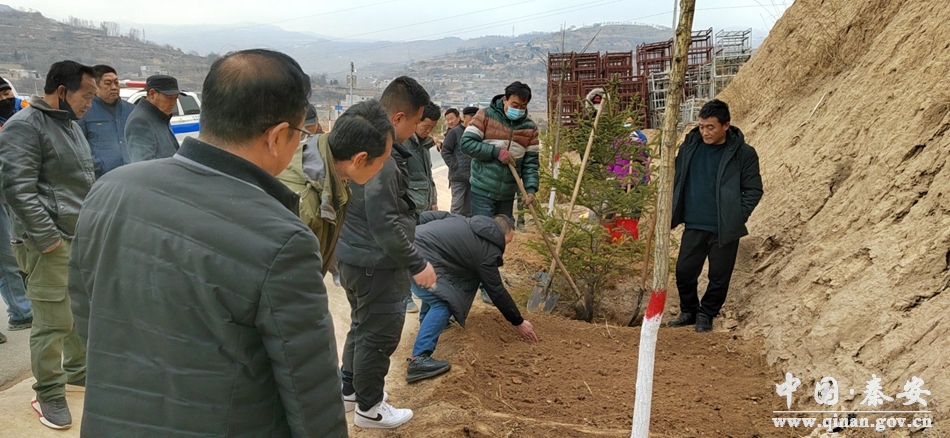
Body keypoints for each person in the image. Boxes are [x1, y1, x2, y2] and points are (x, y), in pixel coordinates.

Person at [68, 49, 347, 437]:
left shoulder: (110, 190)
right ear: (277, 136)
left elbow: (87, 312)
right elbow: (310, 391)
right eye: (300, 135)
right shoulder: (281, 237)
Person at [335, 76, 436, 429]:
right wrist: (417, 263)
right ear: (399, 117)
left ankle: (351, 390)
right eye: (416, 120)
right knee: (378, 334)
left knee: (362, 326)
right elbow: (385, 222)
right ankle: (370, 408)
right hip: (375, 262)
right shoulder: (384, 158)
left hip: (354, 254)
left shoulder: (366, 141)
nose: (416, 129)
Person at [0, 60, 97, 430]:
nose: (89, 103)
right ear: (62, 91)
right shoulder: (24, 126)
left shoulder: (69, 124)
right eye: (86, 95)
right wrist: (49, 240)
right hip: (47, 242)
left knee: (76, 312)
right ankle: (49, 392)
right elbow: (17, 190)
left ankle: (77, 372)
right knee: (52, 320)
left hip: (75, 236)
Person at [406, 212, 538, 383]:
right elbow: (496, 291)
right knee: (444, 303)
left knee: (438, 291)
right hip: (416, 258)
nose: (507, 245)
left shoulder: (463, 221)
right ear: (500, 235)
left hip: (407, 247)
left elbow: (426, 216)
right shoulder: (487, 251)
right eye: (508, 241)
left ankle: (428, 321)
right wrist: (518, 321)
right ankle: (419, 359)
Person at [668, 99, 763, 332]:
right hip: (694, 223)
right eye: (701, 126)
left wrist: (737, 216)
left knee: (719, 276)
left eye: (710, 127)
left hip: (724, 226)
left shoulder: (743, 153)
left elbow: (753, 189)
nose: (705, 132)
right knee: (684, 271)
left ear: (726, 125)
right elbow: (675, 177)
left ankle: (707, 314)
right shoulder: (690, 147)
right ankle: (689, 311)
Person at [276, 99, 394, 278]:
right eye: (382, 161)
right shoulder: (306, 206)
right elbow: (288, 281)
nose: (381, 167)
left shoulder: (323, 164)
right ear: (359, 160)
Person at [461, 82, 540, 218]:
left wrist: (531, 190)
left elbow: (531, 164)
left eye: (523, 106)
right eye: (515, 105)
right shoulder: (485, 116)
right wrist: (496, 152)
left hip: (507, 195)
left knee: (503, 230)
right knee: (483, 229)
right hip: (482, 190)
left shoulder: (530, 128)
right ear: (505, 100)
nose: (519, 110)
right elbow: (467, 144)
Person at [0, 78, 32, 346]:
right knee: (6, 257)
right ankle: (21, 311)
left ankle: (22, 310)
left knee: (16, 251)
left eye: (6, 92)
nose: (5, 97)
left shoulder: (25, 110)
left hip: (17, 190)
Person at [76, 65, 135, 177]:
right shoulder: (84, 112)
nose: (114, 87)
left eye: (116, 83)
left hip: (132, 175)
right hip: (102, 177)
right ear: (95, 87)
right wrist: (97, 166)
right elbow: (78, 147)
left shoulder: (132, 111)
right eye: (108, 83)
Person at [125, 74, 181, 162]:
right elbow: (143, 164)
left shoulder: (160, 116)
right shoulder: (140, 121)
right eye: (169, 98)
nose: (173, 103)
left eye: (176, 98)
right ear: (152, 94)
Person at [405, 102, 441, 216]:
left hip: (424, 208)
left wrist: (433, 202)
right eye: (426, 127)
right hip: (410, 210)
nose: (428, 131)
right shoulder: (402, 145)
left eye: (432, 128)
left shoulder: (425, 146)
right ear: (417, 121)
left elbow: (428, 178)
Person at [441, 106, 475, 216]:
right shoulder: (454, 132)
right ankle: (454, 225)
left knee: (469, 209)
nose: (474, 120)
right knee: (457, 207)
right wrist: (455, 166)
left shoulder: (476, 133)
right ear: (464, 117)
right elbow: (445, 151)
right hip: (458, 177)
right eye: (471, 117)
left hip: (473, 177)